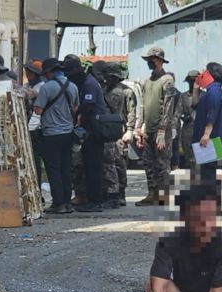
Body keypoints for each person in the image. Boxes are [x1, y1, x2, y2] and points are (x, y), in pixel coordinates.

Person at [33, 57, 79, 214]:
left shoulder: (46, 88)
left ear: (51, 72)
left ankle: (58, 203)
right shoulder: (73, 86)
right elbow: (75, 108)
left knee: (53, 169)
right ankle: (67, 202)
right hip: (68, 132)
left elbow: (38, 110)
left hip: (51, 133)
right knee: (66, 167)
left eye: (46, 73)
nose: (45, 76)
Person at [64, 56, 107, 212]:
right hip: (90, 128)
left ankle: (95, 201)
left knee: (93, 166)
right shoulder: (86, 82)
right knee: (90, 166)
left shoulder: (89, 84)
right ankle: (93, 199)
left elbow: (88, 106)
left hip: (94, 130)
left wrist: (77, 111)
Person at [135, 47, 176, 206]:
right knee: (148, 163)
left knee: (162, 164)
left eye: (151, 60)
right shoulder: (147, 81)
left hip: (161, 131)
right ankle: (152, 194)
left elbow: (168, 107)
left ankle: (163, 196)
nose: (149, 63)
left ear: (158, 60)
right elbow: (143, 106)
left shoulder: (167, 80)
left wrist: (162, 130)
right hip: (148, 129)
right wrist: (139, 127)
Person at [95, 61, 137, 207]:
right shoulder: (102, 89)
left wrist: (131, 130)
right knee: (108, 163)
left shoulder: (126, 92)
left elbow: (131, 112)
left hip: (121, 131)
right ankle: (110, 192)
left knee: (120, 164)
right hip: (106, 131)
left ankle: (120, 194)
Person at [192, 63, 222, 184]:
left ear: (210, 74)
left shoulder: (214, 91)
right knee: (205, 172)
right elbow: (195, 105)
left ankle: (209, 200)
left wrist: (206, 134)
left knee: (208, 172)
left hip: (211, 140)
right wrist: (196, 89)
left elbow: (212, 114)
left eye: (204, 72)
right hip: (209, 140)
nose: (201, 75)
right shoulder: (209, 92)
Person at [23, 60, 45, 191]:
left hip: (37, 127)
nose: (27, 73)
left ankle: (37, 188)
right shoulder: (28, 85)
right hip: (28, 126)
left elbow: (28, 94)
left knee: (36, 158)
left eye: (29, 71)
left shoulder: (41, 87)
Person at [177, 70, 199, 170]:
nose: (193, 83)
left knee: (202, 161)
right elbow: (177, 113)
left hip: (201, 131)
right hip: (187, 131)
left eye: (195, 81)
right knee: (189, 160)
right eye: (191, 81)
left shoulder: (204, 96)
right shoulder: (183, 96)